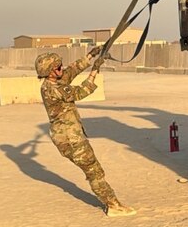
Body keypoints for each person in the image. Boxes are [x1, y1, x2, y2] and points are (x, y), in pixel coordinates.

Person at [35, 47, 136, 217]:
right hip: (70, 139)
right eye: (57, 67)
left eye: (60, 64)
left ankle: (112, 203)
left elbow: (72, 70)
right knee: (94, 171)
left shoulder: (54, 81)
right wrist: (95, 70)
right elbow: (81, 91)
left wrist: (91, 55)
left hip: (67, 136)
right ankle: (113, 205)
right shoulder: (53, 88)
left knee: (92, 170)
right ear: (49, 72)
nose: (61, 68)